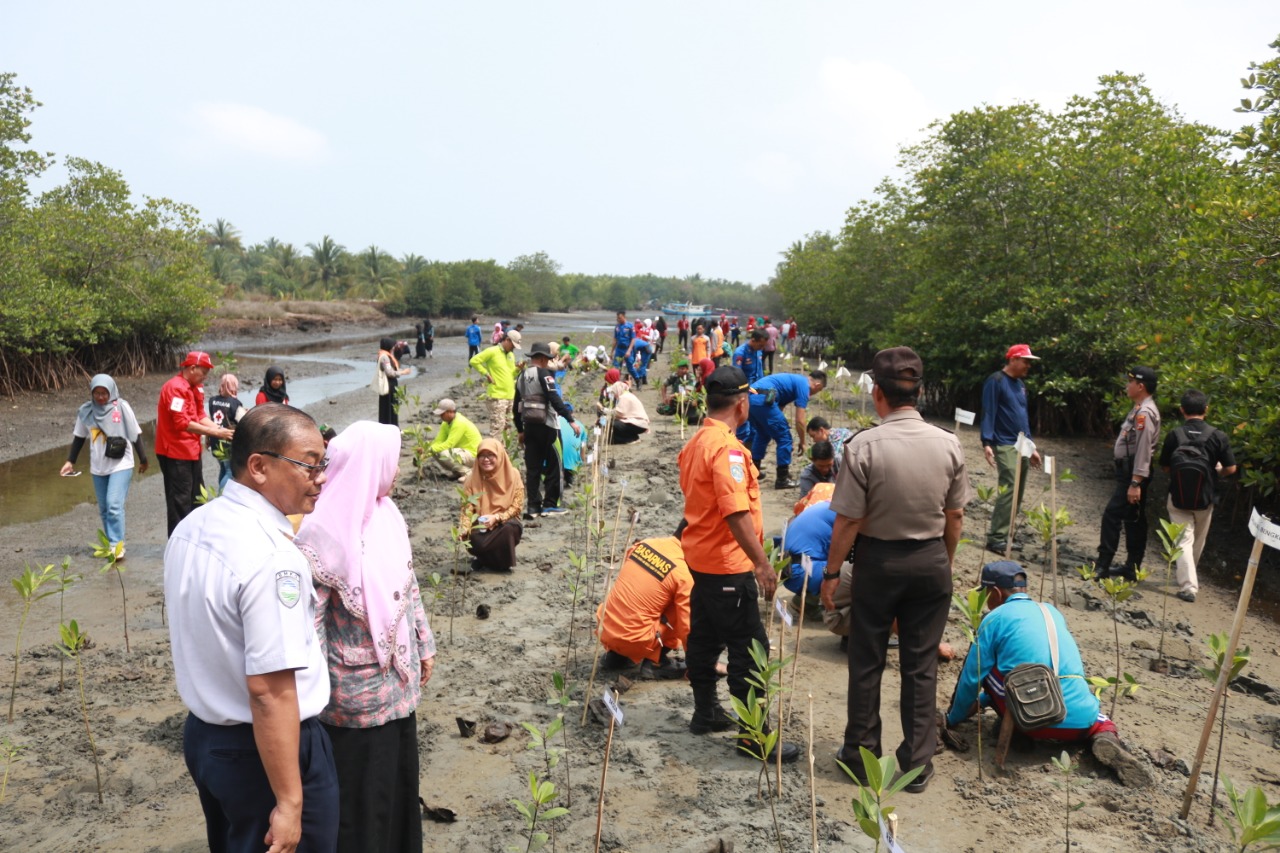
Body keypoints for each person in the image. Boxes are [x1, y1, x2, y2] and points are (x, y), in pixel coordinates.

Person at [165, 404, 338, 853]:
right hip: (266, 751)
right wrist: (289, 800)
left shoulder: (191, 527)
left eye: (325, 463)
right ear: (258, 467)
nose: (321, 477)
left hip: (207, 738)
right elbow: (269, 689)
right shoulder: (272, 558)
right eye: (309, 464)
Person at [820, 347, 969, 793]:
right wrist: (943, 560)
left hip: (878, 562)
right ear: (919, 393)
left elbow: (848, 520)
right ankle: (917, 764)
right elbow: (955, 516)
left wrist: (830, 576)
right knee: (921, 665)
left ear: (878, 395)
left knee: (867, 661)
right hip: (931, 560)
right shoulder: (948, 442)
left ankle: (862, 758)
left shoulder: (863, 446)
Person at [294, 421, 437, 852]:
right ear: (370, 465)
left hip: (398, 686)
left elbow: (408, 587)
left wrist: (425, 645)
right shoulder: (321, 532)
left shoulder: (388, 515)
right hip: (353, 697)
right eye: (392, 462)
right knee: (360, 797)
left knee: (395, 784)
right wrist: (315, 692)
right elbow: (310, 622)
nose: (396, 471)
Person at [678, 365, 800, 763]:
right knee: (750, 650)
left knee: (705, 637)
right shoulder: (727, 449)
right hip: (727, 565)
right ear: (743, 404)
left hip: (700, 560)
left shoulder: (697, 440)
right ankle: (753, 736)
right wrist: (762, 564)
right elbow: (735, 513)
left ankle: (705, 711)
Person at [944, 561, 1151, 787]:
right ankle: (1104, 736)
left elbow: (972, 678)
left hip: (1029, 717)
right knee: (1094, 713)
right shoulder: (1051, 611)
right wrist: (983, 702)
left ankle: (1020, 732)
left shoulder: (995, 618)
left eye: (984, 594)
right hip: (1079, 723)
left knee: (988, 667)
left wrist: (952, 718)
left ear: (994, 592)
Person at [1158, 389, 1237, 602]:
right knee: (1197, 541)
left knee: (1183, 540)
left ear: (1182, 410)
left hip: (1177, 496)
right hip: (1205, 497)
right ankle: (1189, 583)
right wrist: (1217, 470)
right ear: (1206, 410)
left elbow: (1165, 467)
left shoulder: (1175, 434)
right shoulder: (1218, 436)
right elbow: (1231, 468)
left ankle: (1187, 582)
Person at [60, 374, 148, 556]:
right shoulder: (86, 411)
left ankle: (117, 546)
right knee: (104, 509)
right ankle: (111, 544)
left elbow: (136, 434)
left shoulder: (122, 407)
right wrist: (70, 461)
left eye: (104, 393)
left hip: (121, 464)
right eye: (97, 393)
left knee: (114, 505)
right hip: (98, 467)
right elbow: (78, 437)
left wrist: (144, 459)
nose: (100, 397)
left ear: (112, 391)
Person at [156, 351, 235, 536]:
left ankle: (194, 538)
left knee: (197, 497)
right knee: (179, 502)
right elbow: (182, 423)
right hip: (174, 453)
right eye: (204, 372)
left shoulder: (196, 387)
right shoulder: (174, 388)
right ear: (192, 368)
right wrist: (215, 432)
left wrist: (220, 430)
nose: (206, 377)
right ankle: (178, 542)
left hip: (191, 450)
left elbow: (199, 415)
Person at [1095, 367, 1161, 582]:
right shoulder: (1139, 409)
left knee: (1112, 515)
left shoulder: (1144, 413)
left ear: (1140, 386)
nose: (1127, 385)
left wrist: (1135, 482)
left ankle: (1103, 564)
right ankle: (1131, 567)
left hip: (1133, 474)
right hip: (1131, 472)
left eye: (1130, 382)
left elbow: (1142, 449)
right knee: (1134, 519)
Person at [597, 535, 693, 680]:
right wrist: (697, 664)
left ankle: (617, 657)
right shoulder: (683, 572)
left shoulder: (645, 544)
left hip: (604, 626)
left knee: (640, 595)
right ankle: (656, 663)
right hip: (634, 639)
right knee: (685, 604)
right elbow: (687, 626)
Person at [980, 344, 1044, 553]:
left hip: (1021, 443)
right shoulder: (996, 380)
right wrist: (987, 443)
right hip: (1004, 442)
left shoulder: (1020, 385)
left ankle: (1005, 535)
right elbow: (989, 411)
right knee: (1009, 485)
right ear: (1013, 359)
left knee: (1019, 489)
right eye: (1025, 361)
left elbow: (1022, 418)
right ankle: (996, 537)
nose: (1028, 366)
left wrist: (1031, 447)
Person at [514, 342, 581, 519]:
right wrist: (571, 420)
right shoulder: (545, 374)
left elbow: (516, 406)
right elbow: (554, 398)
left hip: (529, 427)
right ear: (543, 358)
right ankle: (551, 504)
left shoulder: (521, 376)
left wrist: (520, 430)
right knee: (554, 465)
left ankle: (533, 507)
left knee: (533, 468)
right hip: (549, 426)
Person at [743, 370, 826, 489]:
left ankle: (753, 472)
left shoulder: (795, 380)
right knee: (785, 438)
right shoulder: (804, 386)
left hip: (751, 398)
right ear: (817, 385)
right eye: (819, 390)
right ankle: (782, 479)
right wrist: (802, 442)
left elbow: (779, 408)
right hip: (763, 399)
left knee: (763, 434)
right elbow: (800, 420)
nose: (815, 393)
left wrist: (774, 428)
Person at [459, 438, 525, 572]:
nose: (486, 459)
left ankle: (499, 563)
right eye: (482, 455)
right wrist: (464, 528)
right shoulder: (471, 479)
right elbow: (467, 509)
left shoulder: (513, 475)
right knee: (474, 538)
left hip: (505, 521)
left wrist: (497, 517)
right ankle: (483, 558)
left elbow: (517, 506)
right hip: (481, 524)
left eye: (490, 455)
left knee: (509, 530)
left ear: (499, 456)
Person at [469, 330, 521, 439]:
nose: (514, 348)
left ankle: (503, 453)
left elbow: (511, 374)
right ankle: (494, 452)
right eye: (513, 345)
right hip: (497, 396)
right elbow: (474, 361)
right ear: (507, 340)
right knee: (497, 428)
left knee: (508, 428)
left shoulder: (511, 355)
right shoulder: (492, 351)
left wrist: (518, 369)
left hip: (510, 396)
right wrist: (486, 374)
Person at [781, 499, 836, 598]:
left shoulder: (821, 504)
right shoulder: (842, 513)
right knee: (851, 570)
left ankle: (806, 601)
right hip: (803, 572)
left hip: (788, 570)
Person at [208, 373, 248, 490]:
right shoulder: (235, 403)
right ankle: (222, 494)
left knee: (223, 468)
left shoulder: (212, 400)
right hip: (228, 441)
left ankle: (221, 490)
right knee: (230, 471)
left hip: (215, 439)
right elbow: (243, 421)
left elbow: (210, 419)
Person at [426, 398, 481, 481]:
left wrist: (428, 450)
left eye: (442, 414)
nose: (440, 416)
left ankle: (468, 473)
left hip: (474, 455)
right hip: (463, 453)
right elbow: (438, 441)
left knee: (444, 453)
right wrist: (426, 451)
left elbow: (449, 444)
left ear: (450, 412)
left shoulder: (459, 422)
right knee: (435, 451)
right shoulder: (445, 423)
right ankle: (458, 472)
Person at [598, 378, 650, 444]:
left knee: (613, 424)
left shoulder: (624, 397)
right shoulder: (627, 395)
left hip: (638, 424)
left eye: (614, 393)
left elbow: (618, 413)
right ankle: (632, 437)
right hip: (639, 423)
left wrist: (603, 409)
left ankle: (630, 439)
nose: (614, 395)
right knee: (613, 422)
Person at [377, 338, 411, 427]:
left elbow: (392, 370)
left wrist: (401, 371)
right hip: (388, 386)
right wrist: (403, 372)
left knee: (389, 407)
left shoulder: (385, 355)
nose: (393, 348)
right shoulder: (384, 357)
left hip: (390, 384)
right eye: (392, 346)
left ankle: (390, 426)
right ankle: (390, 426)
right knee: (389, 407)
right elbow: (390, 373)